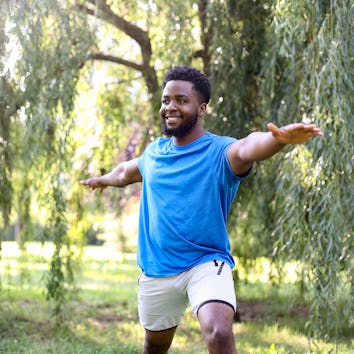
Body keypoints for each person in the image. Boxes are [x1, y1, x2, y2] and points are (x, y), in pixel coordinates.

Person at [80, 66, 324, 354]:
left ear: (202, 107)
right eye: (166, 100)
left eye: (181, 100)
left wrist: (277, 140)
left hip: (206, 263)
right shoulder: (155, 153)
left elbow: (248, 147)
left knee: (219, 333)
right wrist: (102, 179)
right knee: (154, 348)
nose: (170, 106)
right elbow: (124, 173)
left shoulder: (220, 151)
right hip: (157, 267)